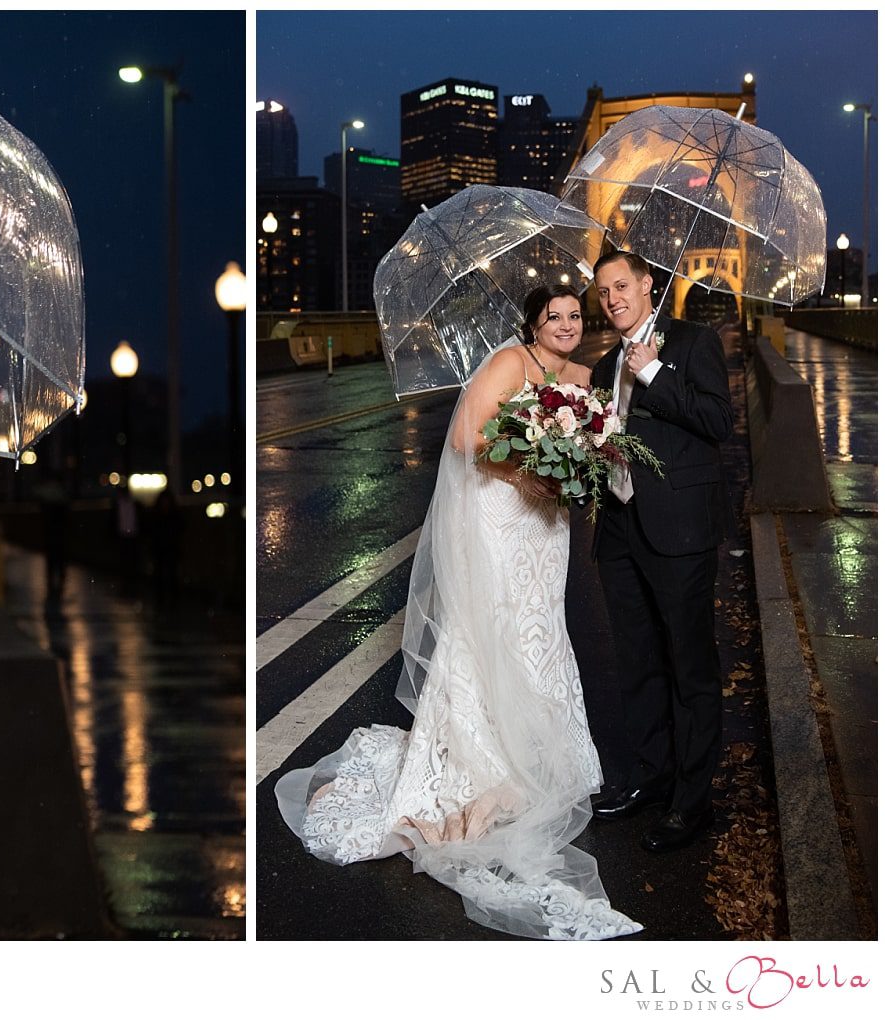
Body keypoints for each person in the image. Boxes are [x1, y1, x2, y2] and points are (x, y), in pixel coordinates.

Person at [274, 286, 642, 940]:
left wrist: (577, 459)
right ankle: (477, 756)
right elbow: (467, 438)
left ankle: (542, 752)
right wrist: (529, 464)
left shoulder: (588, 376)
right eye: (552, 316)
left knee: (539, 633)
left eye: (573, 317)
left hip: (546, 528)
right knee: (493, 633)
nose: (565, 325)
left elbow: (604, 450)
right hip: (502, 517)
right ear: (533, 323)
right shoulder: (508, 364)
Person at [583, 250, 734, 853]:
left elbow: (718, 422)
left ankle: (692, 803)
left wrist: (655, 376)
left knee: (689, 667)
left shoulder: (693, 342)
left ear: (647, 286)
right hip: (620, 530)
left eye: (622, 286)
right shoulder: (601, 367)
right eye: (604, 291)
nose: (613, 298)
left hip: (680, 531)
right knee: (638, 663)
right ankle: (652, 778)